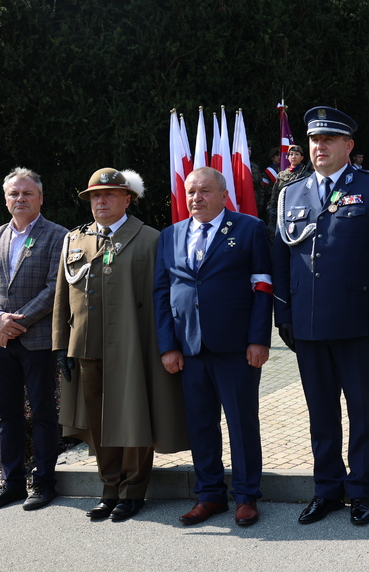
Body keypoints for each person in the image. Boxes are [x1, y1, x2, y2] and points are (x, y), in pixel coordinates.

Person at [273, 106, 369, 526]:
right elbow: (281, 259)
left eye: (328, 140)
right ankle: (327, 489)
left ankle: (361, 491)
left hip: (357, 322)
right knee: (321, 412)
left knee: (362, 412)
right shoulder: (290, 192)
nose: (319, 147)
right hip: (308, 324)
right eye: (314, 140)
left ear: (348, 145)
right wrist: (283, 313)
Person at [52, 168, 189, 521]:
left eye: (109, 195)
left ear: (127, 199)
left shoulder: (150, 239)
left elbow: (166, 297)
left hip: (133, 344)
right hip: (87, 346)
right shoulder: (75, 239)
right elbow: (62, 296)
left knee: (133, 418)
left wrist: (166, 343)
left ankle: (133, 490)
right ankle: (109, 487)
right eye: (95, 196)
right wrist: (59, 344)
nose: (100, 201)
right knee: (98, 422)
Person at [154, 167, 272, 527]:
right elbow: (162, 292)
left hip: (236, 346)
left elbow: (263, 286)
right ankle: (209, 495)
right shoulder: (170, 235)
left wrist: (258, 339)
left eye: (204, 191)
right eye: (190, 192)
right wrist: (167, 346)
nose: (196, 198)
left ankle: (247, 495)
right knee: (201, 425)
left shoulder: (249, 228)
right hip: (188, 347)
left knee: (241, 423)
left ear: (224, 194)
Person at [0, 168, 68, 512]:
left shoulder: (59, 236)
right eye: (14, 194)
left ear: (41, 198)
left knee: (43, 413)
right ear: (6, 199)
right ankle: (11, 484)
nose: (20, 199)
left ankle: (43, 483)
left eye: (27, 193)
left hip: (37, 340)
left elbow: (56, 287)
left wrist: (16, 321)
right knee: (6, 416)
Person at [266, 144, 312, 238]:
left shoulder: (307, 175)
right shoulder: (281, 175)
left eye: (296, 154)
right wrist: (270, 209)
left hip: (299, 213)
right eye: (291, 154)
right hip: (282, 212)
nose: (293, 157)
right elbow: (274, 195)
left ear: (302, 157)